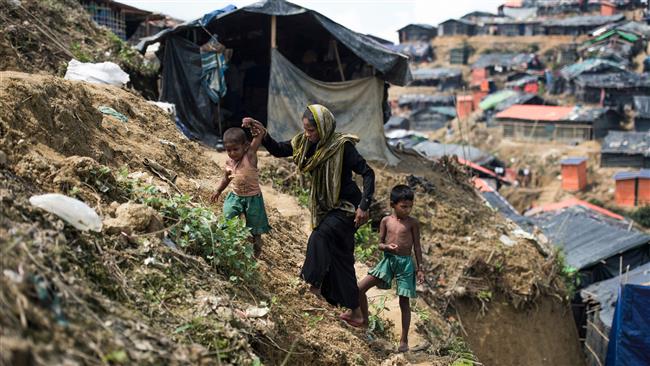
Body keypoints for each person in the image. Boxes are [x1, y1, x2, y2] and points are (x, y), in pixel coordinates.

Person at [242, 104, 375, 324]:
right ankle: (356, 312)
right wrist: (262, 133)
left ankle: (311, 285)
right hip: (327, 207)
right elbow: (277, 149)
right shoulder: (305, 143)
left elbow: (367, 173)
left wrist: (364, 205)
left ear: (323, 128)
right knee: (341, 258)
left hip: (347, 207)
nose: (307, 134)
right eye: (305, 129)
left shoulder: (342, 147)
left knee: (320, 236)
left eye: (311, 130)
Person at [342, 184, 424, 352]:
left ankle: (404, 341)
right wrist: (387, 247)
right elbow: (379, 243)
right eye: (403, 206)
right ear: (392, 204)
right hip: (388, 261)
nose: (407, 210)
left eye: (410, 206)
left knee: (404, 302)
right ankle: (363, 319)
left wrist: (420, 269)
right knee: (359, 288)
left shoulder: (413, 223)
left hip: (405, 264)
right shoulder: (386, 221)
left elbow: (417, 247)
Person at [211, 126, 270, 257]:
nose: (232, 153)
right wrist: (218, 190)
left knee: (255, 226)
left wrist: (253, 128)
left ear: (245, 146)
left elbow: (257, 139)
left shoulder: (250, 156)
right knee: (228, 215)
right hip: (235, 196)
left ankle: (256, 247)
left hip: (253, 198)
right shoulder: (229, 162)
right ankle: (226, 242)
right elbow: (226, 179)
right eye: (228, 150)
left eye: (235, 149)